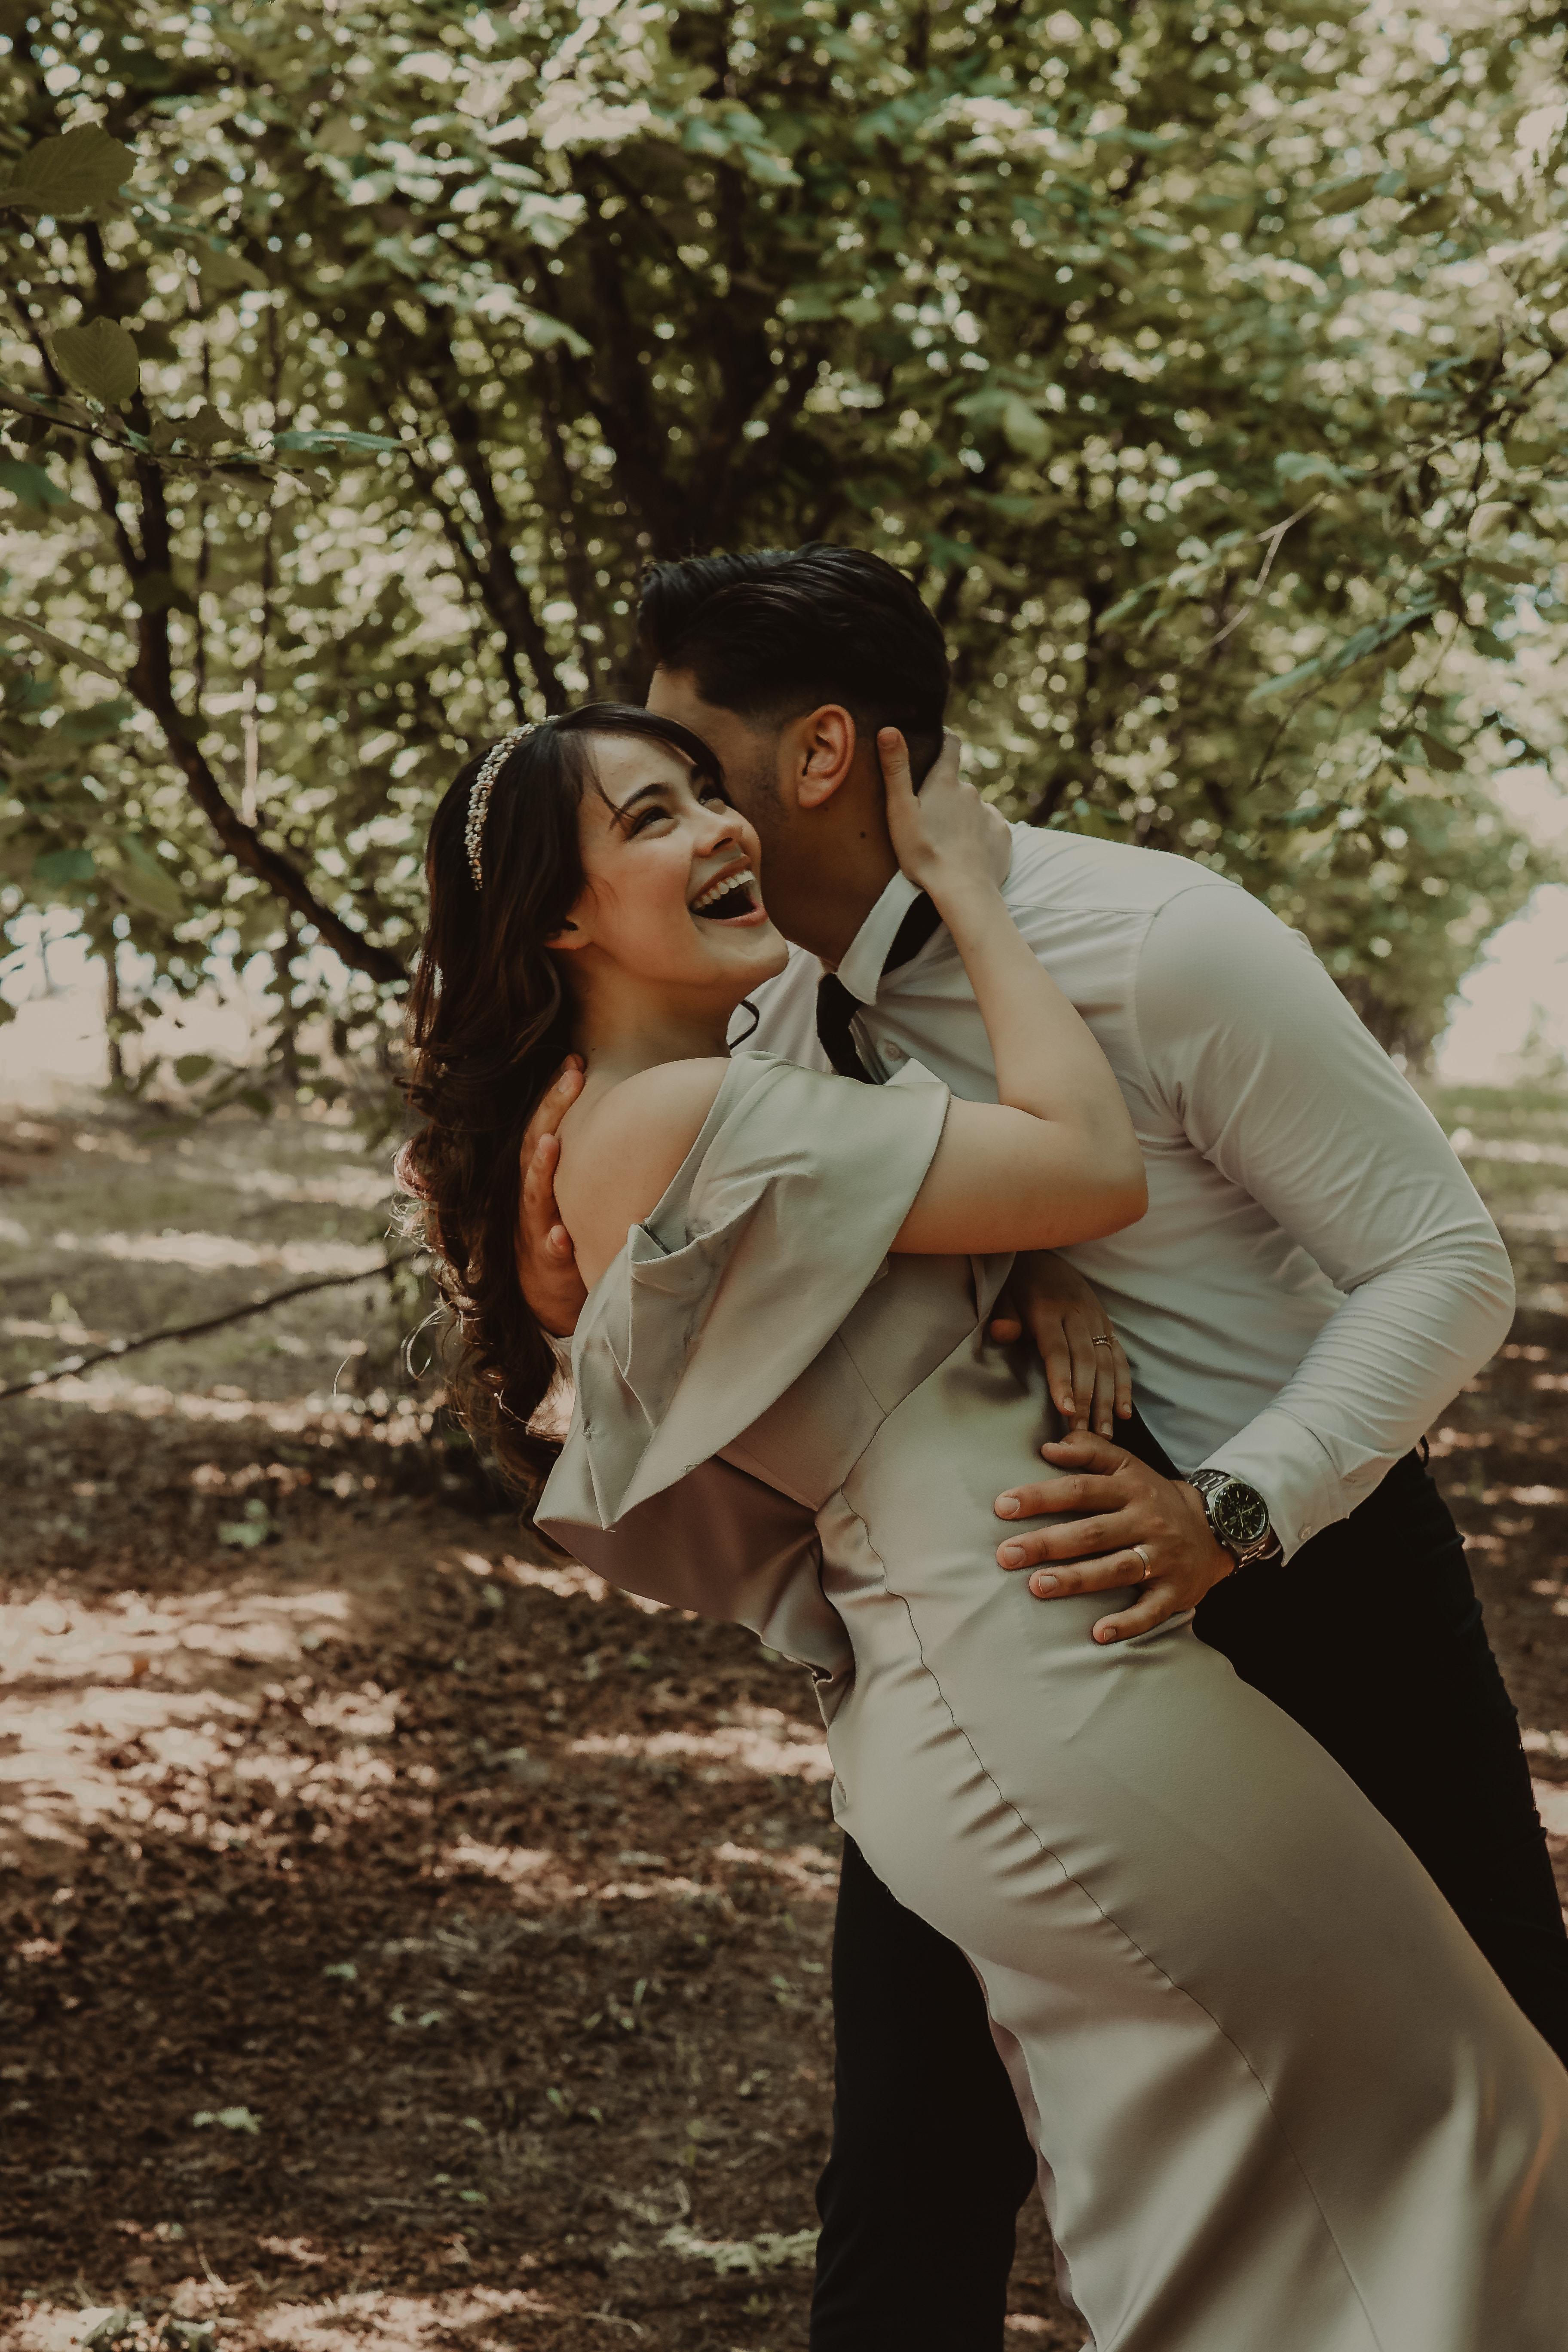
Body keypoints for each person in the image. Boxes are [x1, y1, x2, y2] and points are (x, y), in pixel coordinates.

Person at [401, 700, 1568, 2349]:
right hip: (1055, 1693)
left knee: (1221, 2206)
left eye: (706, 793)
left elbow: (867, 1286)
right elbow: (1087, 1160)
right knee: (1477, 2127)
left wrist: (1028, 1267)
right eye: (653, 817)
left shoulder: (670, 1098)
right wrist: (975, 895)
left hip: (999, 1681)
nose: (719, 830)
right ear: (565, 917)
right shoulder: (668, 1116)